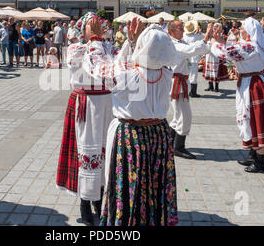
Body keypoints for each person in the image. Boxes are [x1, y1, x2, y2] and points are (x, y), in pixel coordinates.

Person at [97, 22, 180, 226]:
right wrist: (135, 43)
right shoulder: (168, 74)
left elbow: (102, 69)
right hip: (159, 134)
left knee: (128, 183)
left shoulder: (125, 74)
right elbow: (148, 61)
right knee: (155, 182)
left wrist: (129, 42)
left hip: (131, 136)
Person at [56, 13, 118, 226]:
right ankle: (85, 202)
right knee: (87, 151)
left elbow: (117, 65)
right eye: (93, 26)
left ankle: (100, 200)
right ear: (84, 31)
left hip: (107, 105)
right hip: (87, 105)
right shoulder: (76, 48)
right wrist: (96, 40)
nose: (97, 28)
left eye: (98, 25)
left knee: (104, 151)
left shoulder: (109, 48)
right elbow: (88, 63)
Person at [210, 17, 264, 173]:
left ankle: (260, 161)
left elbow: (225, 53)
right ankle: (253, 154)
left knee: (256, 120)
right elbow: (231, 49)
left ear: (249, 32)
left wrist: (214, 41)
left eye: (242, 27)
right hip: (250, 83)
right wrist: (220, 41)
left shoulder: (250, 46)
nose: (239, 29)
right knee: (249, 118)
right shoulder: (248, 45)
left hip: (254, 86)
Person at [169, 20, 212, 159]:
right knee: (185, 116)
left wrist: (208, 39)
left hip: (181, 81)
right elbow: (190, 50)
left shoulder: (180, 42)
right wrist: (205, 38)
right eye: (180, 28)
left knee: (178, 115)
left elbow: (198, 49)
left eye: (182, 28)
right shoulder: (173, 44)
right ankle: (178, 147)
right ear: (172, 31)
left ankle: (170, 143)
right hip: (177, 82)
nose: (183, 30)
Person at [203, 22, 229, 92]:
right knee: (208, 70)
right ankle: (210, 85)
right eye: (214, 26)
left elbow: (223, 42)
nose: (215, 27)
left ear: (220, 28)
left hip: (216, 56)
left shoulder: (222, 35)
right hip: (209, 55)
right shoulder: (209, 35)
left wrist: (217, 36)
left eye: (217, 26)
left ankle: (216, 86)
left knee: (216, 71)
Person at [183, 20, 204, 98]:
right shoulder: (197, 36)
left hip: (186, 59)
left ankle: (186, 90)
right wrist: (200, 31)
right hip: (194, 59)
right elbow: (205, 37)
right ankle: (193, 92)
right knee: (193, 75)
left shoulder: (184, 35)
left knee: (187, 74)